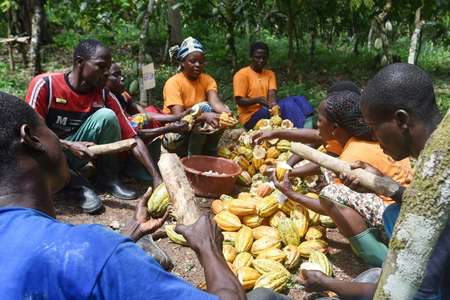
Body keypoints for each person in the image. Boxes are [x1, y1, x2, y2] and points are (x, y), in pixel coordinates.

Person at [0, 91, 288, 300]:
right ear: (32, 138)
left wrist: (125, 237)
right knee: (262, 296)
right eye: (48, 129)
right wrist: (207, 247)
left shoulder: (90, 252)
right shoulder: (95, 253)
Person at [299, 63, 449, 299]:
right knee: (392, 213)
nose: (374, 139)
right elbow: (423, 200)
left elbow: (397, 294)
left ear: (401, 120)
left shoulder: (429, 223)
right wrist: (383, 182)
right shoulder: (437, 155)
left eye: (373, 128)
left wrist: (326, 283)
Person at [272, 90, 413, 267]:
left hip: (398, 222)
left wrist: (291, 194)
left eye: (320, 120)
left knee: (331, 193)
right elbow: (316, 137)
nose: (316, 124)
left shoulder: (352, 156)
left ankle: (379, 259)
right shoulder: (363, 137)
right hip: (406, 207)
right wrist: (276, 134)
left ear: (335, 128)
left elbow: (328, 207)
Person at [26, 39, 139, 214]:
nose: (107, 73)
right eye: (101, 66)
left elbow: (133, 137)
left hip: (75, 154)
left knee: (106, 116)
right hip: (46, 154)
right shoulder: (45, 85)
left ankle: (107, 179)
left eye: (108, 68)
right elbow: (31, 133)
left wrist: (156, 177)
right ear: (80, 62)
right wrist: (68, 145)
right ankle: (78, 185)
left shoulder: (102, 93)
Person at [106, 62, 189, 183]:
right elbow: (134, 132)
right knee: (140, 121)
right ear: (103, 78)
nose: (122, 78)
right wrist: (168, 128)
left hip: (131, 133)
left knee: (150, 111)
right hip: (119, 144)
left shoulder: (123, 95)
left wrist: (177, 117)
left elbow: (146, 113)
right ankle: (133, 167)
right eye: (116, 75)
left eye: (121, 74)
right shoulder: (106, 99)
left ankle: (144, 163)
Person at [163, 37, 231, 157]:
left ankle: (209, 150)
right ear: (182, 62)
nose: (198, 65)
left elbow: (215, 102)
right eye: (193, 61)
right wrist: (203, 116)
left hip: (197, 126)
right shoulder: (173, 83)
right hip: (177, 131)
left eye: (201, 61)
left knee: (222, 111)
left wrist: (226, 113)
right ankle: (192, 157)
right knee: (204, 107)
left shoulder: (207, 80)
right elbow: (179, 118)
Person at [233, 41, 314, 130]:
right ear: (251, 57)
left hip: (266, 110)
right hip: (251, 118)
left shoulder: (270, 74)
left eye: (264, 58)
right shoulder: (242, 74)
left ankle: (309, 126)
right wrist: (257, 100)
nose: (261, 60)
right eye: (258, 57)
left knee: (299, 99)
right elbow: (239, 101)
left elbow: (272, 95)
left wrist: (273, 104)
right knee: (287, 104)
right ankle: (301, 132)